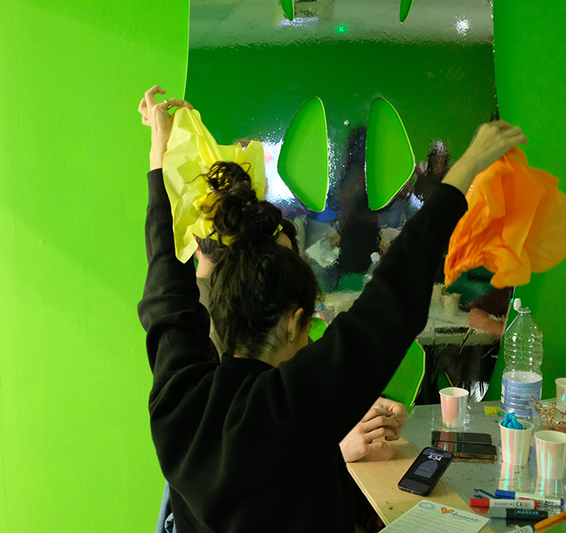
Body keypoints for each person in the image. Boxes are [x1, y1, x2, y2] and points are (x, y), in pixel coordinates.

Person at [138, 85, 527, 532]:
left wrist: (159, 155)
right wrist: (466, 170)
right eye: (307, 330)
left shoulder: (177, 395)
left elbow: (164, 279)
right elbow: (391, 297)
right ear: (292, 322)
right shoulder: (292, 405)